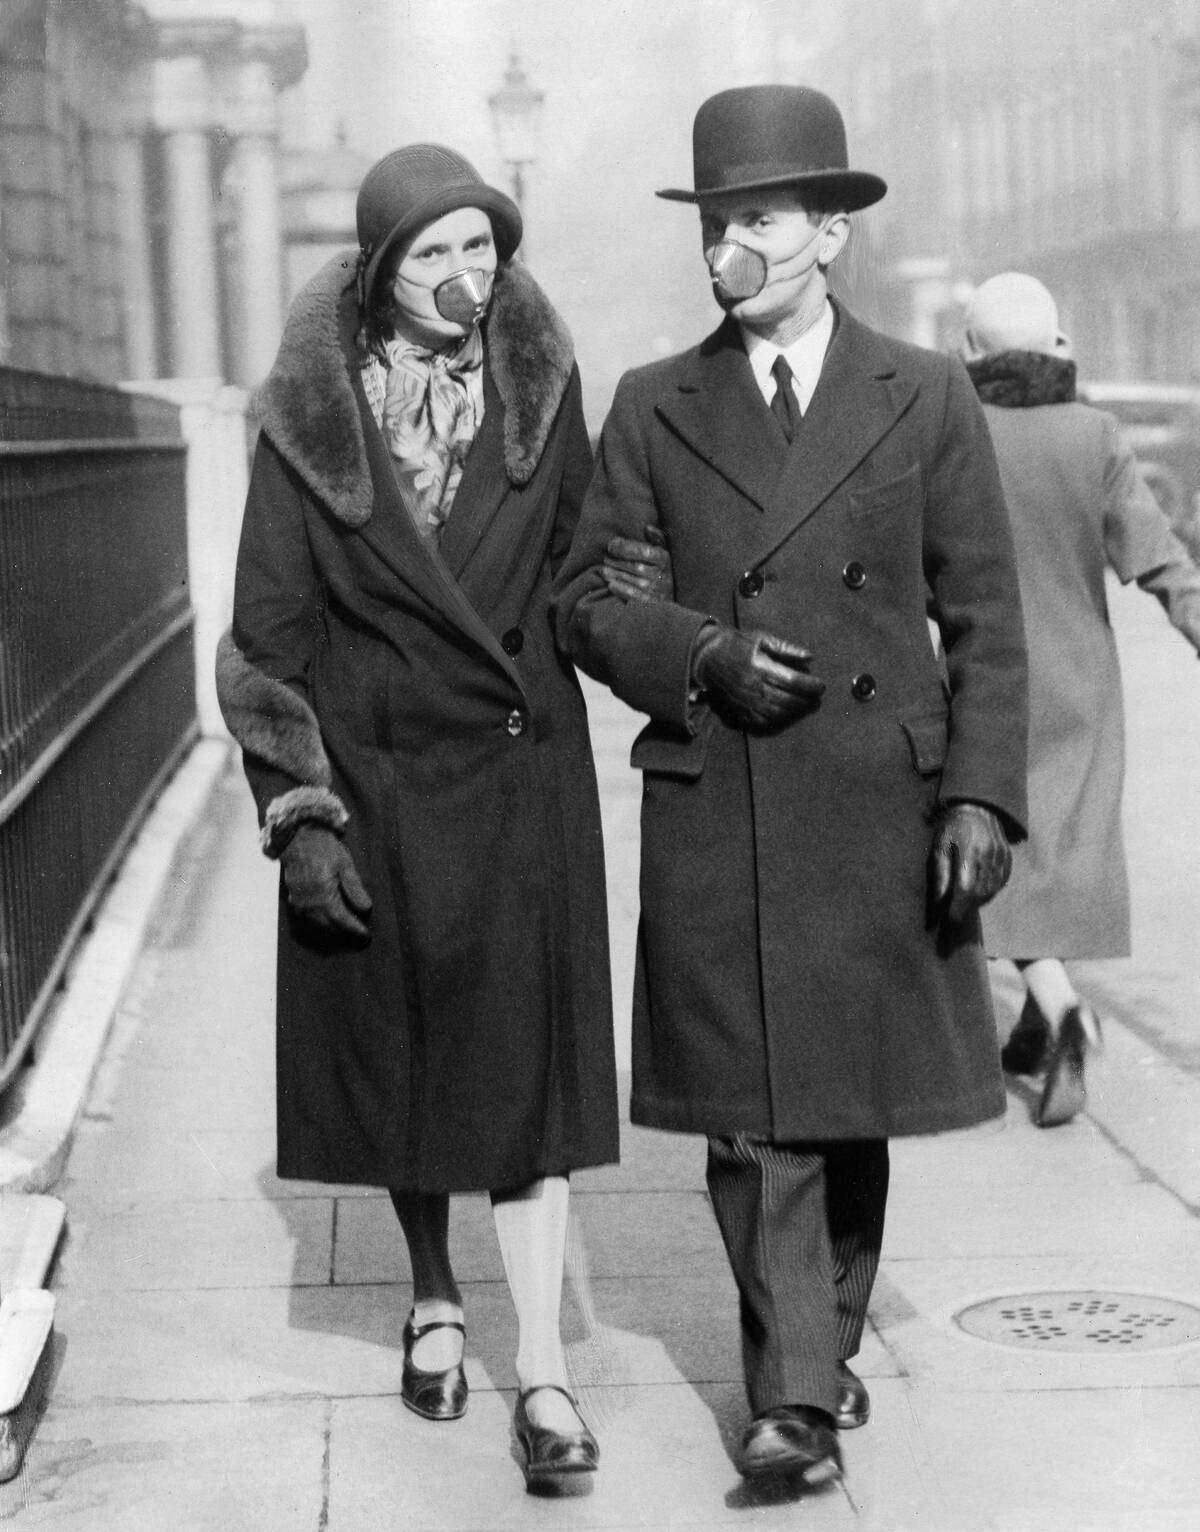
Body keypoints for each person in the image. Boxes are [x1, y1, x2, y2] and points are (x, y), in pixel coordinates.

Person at [556, 85, 1029, 1487]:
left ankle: (819, 1332)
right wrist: (699, 651)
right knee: (755, 1114)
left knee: (846, 1104)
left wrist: (982, 800)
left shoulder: (928, 393)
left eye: (755, 222)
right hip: (727, 800)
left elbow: (988, 618)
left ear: (830, 232)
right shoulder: (652, 404)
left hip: (879, 801)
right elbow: (586, 601)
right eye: (713, 225)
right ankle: (794, 1398)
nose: (726, 253)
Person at [215, 143, 642, 1492]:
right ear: (382, 273)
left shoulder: (541, 387)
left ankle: (546, 1371)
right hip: (383, 779)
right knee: (411, 1056)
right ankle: (431, 1292)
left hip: (523, 776)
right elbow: (264, 635)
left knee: (527, 1078)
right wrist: (302, 808)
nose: (466, 278)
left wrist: (676, 656)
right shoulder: (306, 421)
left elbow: (588, 574)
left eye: (482, 247)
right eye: (433, 254)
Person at [962, 272, 1200, 1126]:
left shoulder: (958, 433)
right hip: (1083, 684)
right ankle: (1042, 1024)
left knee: (994, 858)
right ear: (1062, 347)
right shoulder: (1097, 434)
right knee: (1062, 859)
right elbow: (1160, 561)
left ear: (969, 352)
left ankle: (1056, 1010)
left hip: (983, 681)